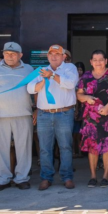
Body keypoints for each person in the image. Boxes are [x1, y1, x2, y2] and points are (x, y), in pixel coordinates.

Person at [0, 42, 36, 191]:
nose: (9, 56)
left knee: (24, 148)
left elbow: (35, 90)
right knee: (0, 148)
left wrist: (36, 109)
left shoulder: (28, 69)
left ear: (20, 55)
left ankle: (22, 178)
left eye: (13, 54)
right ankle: (2, 179)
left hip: (23, 114)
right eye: (7, 53)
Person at [28, 44, 79, 190]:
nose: (54, 56)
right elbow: (30, 88)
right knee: (44, 148)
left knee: (65, 147)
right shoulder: (40, 71)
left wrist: (52, 76)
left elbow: (70, 84)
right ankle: (46, 178)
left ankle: (67, 177)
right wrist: (42, 81)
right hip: (44, 114)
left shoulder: (70, 68)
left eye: (57, 54)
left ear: (64, 56)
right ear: (48, 56)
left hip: (64, 113)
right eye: (51, 54)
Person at [77, 50, 108, 187]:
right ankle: (92, 176)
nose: (98, 62)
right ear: (91, 62)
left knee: (107, 146)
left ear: (106, 61)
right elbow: (79, 94)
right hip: (90, 117)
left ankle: (105, 176)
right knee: (92, 146)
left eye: (101, 59)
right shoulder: (85, 76)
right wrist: (86, 98)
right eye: (95, 60)